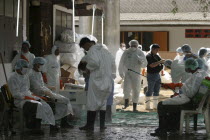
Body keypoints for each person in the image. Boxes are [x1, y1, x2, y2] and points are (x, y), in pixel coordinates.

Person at [151, 58, 208, 136]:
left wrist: (180, 87)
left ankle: (163, 130)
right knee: (171, 104)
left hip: (190, 102)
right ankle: (173, 128)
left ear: (190, 67)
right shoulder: (200, 73)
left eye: (186, 67)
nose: (185, 68)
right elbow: (190, 87)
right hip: (192, 100)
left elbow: (190, 93)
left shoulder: (197, 76)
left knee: (161, 105)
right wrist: (176, 86)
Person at [8, 59, 55, 134]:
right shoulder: (13, 77)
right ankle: (31, 127)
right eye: (24, 67)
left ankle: (43, 125)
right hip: (19, 101)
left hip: (28, 97)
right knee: (35, 105)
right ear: (19, 67)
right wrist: (28, 98)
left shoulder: (25, 76)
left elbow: (27, 90)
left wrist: (36, 96)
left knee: (45, 102)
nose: (26, 69)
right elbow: (15, 94)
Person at [78, 36, 116, 131]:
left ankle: (90, 126)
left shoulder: (92, 51)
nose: (85, 50)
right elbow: (113, 63)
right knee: (103, 103)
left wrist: (87, 68)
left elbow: (94, 63)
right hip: (107, 80)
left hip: (97, 81)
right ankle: (102, 125)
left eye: (84, 47)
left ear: (87, 44)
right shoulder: (105, 51)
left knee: (92, 103)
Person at [29, 57, 74, 129]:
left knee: (65, 100)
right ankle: (52, 124)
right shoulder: (31, 74)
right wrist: (46, 92)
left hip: (44, 92)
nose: (42, 66)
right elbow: (36, 87)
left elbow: (42, 85)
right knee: (52, 103)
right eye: (41, 65)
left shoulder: (38, 73)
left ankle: (64, 123)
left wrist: (48, 89)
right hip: (37, 95)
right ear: (36, 64)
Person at [119, 40, 148, 112]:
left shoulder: (140, 52)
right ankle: (126, 103)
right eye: (132, 45)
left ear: (137, 46)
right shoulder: (126, 52)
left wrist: (140, 61)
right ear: (130, 45)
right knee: (126, 89)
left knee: (136, 89)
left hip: (136, 73)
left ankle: (135, 107)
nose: (133, 47)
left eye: (135, 45)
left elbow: (145, 64)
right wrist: (121, 73)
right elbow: (121, 63)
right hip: (127, 73)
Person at [145, 44, 165, 110]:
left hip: (157, 74)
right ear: (152, 49)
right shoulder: (148, 56)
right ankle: (147, 106)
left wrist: (162, 62)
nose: (157, 51)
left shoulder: (156, 56)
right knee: (150, 90)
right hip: (151, 74)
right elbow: (152, 65)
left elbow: (161, 63)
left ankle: (155, 105)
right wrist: (159, 62)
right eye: (156, 50)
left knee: (157, 90)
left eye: (158, 50)